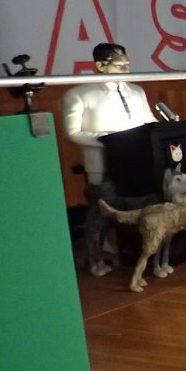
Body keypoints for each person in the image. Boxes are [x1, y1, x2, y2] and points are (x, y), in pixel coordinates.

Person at [61, 42, 159, 276]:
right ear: (100, 66)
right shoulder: (79, 94)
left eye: (127, 65)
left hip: (138, 161)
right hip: (103, 163)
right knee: (101, 212)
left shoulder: (137, 91)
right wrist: (110, 140)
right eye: (119, 65)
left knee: (144, 207)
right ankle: (95, 259)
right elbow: (72, 132)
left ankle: (140, 254)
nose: (126, 70)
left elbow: (150, 122)